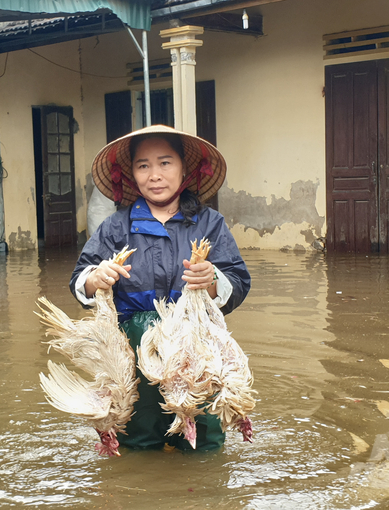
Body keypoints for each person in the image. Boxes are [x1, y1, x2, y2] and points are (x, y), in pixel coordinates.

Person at [70, 125, 251, 451]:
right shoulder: (116, 226)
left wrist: (212, 280)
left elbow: (237, 280)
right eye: (143, 165)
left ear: (184, 169)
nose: (154, 175)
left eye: (165, 163)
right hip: (135, 353)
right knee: (137, 441)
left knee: (205, 442)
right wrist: (95, 279)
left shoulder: (210, 223)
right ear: (132, 174)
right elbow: (80, 280)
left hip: (197, 349)